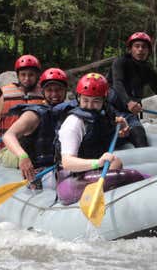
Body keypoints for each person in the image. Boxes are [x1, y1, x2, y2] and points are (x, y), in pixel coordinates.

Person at [56, 73, 148, 205]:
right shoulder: (74, 123)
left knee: (116, 161)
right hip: (70, 182)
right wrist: (98, 163)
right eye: (85, 100)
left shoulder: (101, 116)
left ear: (104, 101)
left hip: (89, 174)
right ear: (78, 98)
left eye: (96, 101)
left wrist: (121, 125)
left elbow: (107, 128)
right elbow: (67, 163)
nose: (89, 106)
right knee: (133, 176)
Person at [109, 31, 157, 148]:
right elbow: (117, 84)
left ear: (148, 51)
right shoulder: (120, 62)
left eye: (144, 47)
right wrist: (128, 102)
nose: (140, 49)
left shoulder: (148, 71)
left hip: (129, 114)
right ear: (130, 49)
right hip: (110, 110)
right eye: (137, 46)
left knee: (139, 135)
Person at [1, 68, 68, 187]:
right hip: (29, 163)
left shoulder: (70, 112)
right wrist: (23, 157)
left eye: (58, 90)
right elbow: (8, 135)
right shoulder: (34, 114)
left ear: (65, 91)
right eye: (49, 90)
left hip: (55, 166)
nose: (54, 94)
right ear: (43, 92)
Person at [0, 54, 45, 165]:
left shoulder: (44, 95)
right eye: (23, 75)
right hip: (10, 149)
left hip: (36, 148)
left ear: (37, 75)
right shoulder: (7, 95)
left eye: (31, 75)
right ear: (18, 75)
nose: (26, 78)